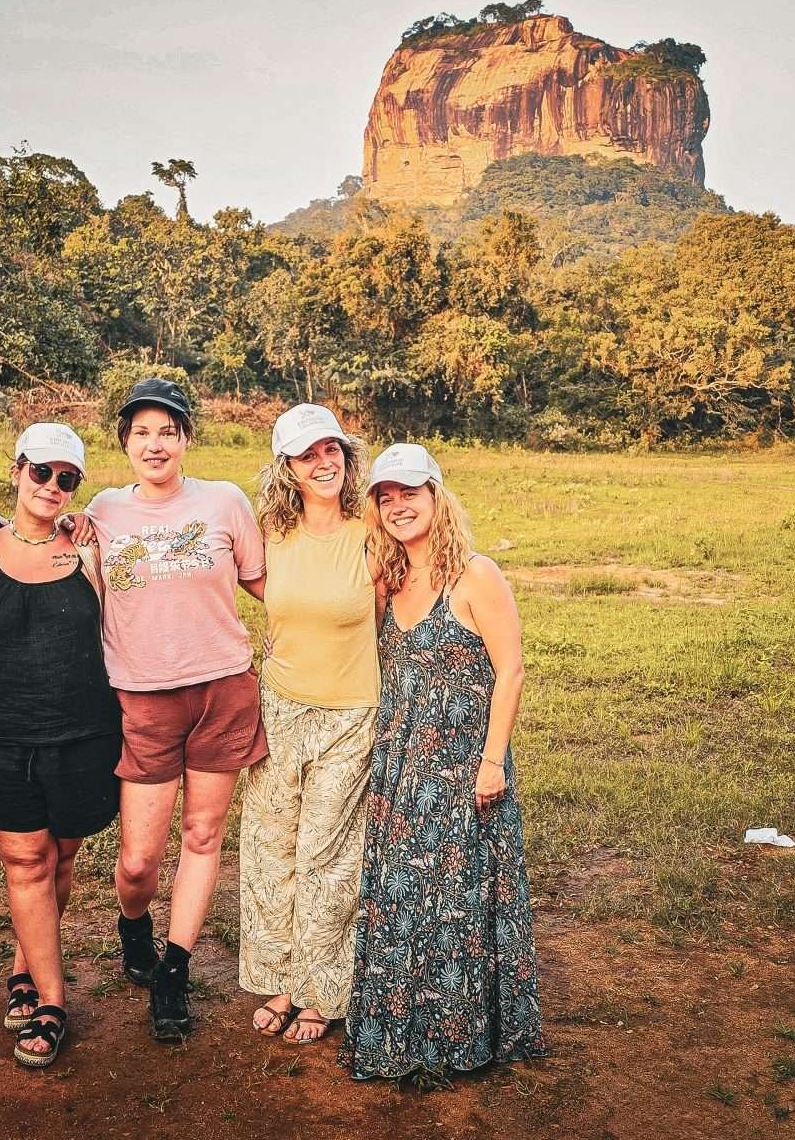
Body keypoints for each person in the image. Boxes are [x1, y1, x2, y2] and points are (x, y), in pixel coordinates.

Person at [340, 443, 546, 1079]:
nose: (400, 506)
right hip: (400, 767)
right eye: (387, 497)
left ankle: (460, 1037)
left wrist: (491, 762)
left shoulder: (476, 575)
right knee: (402, 901)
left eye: (411, 493)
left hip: (464, 767)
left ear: (436, 495)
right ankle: (398, 1033)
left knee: (458, 900)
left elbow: (510, 671)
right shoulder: (390, 575)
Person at [70, 377, 267, 1041]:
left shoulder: (225, 502)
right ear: (124, 441)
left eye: (167, 431)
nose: (155, 443)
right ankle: (134, 927)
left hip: (223, 690)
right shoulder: (102, 511)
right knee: (138, 862)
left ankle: (174, 974)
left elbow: (268, 582)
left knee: (205, 836)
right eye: (141, 432)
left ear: (186, 438)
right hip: (143, 699)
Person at [0, 423, 121, 1068]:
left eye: (67, 478)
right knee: (25, 860)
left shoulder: (88, 551)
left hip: (83, 731)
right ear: (18, 469)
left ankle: (26, 965)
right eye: (41, 473)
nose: (52, 487)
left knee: (59, 858)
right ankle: (52, 1001)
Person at [239, 404, 378, 1044]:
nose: (323, 463)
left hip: (351, 710)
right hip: (280, 704)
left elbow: (394, 611)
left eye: (332, 451)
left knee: (328, 851)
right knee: (273, 847)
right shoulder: (270, 529)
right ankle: (284, 978)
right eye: (307, 455)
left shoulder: (371, 528)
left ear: (346, 458)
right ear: (287, 468)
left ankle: (321, 990)